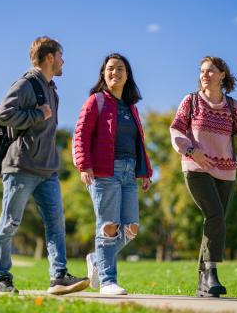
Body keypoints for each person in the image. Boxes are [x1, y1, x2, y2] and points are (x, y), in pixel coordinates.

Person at [0, 36, 89, 295]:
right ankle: (0, 279)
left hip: (48, 170)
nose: (63, 61)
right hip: (21, 168)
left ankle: (58, 277)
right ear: (49, 57)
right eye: (60, 56)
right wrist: (37, 114)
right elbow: (3, 114)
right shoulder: (26, 84)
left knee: (56, 224)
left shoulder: (51, 88)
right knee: (10, 222)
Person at [169, 56, 237, 297]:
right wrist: (191, 150)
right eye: (201, 71)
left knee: (214, 221)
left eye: (210, 71)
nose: (204, 75)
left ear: (222, 75)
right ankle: (212, 273)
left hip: (225, 172)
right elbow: (176, 128)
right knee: (215, 215)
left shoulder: (233, 107)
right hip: (196, 168)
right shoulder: (192, 101)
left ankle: (202, 283)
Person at [73, 53, 152, 295]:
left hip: (129, 172)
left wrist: (145, 171)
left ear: (127, 75)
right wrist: (83, 165)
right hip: (104, 170)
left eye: (119, 69)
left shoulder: (131, 109)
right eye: (109, 69)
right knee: (108, 226)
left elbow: (138, 142)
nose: (114, 73)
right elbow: (80, 134)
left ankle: (97, 260)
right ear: (103, 74)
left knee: (131, 228)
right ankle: (107, 281)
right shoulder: (95, 101)